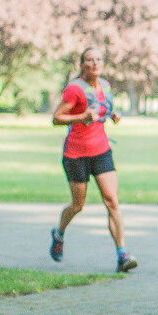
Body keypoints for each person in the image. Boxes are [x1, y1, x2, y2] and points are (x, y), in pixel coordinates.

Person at [49, 47, 137, 273]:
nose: (94, 63)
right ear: (82, 64)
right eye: (89, 60)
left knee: (112, 201)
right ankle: (59, 234)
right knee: (78, 205)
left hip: (101, 151)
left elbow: (103, 111)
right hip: (76, 154)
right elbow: (57, 118)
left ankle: (122, 255)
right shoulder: (74, 90)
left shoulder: (105, 86)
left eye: (98, 59)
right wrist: (81, 117)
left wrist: (113, 115)